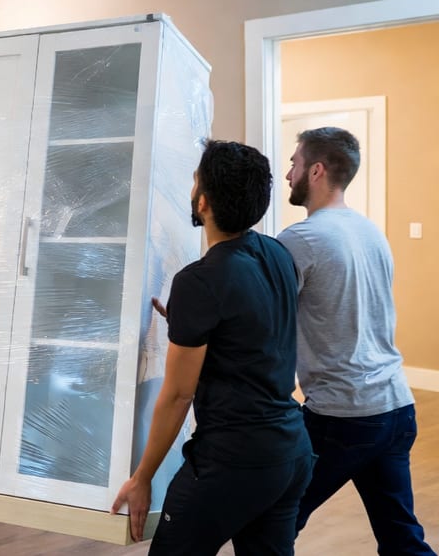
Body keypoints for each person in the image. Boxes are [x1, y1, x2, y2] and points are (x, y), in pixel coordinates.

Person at [111, 140, 313, 555]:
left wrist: (143, 476)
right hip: (289, 453)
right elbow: (253, 325)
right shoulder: (276, 253)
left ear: (202, 202)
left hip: (233, 462)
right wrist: (185, 322)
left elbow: (178, 395)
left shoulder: (199, 280)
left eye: (194, 181)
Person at [277, 127, 435, 554]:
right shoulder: (370, 232)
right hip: (395, 407)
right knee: (401, 536)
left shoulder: (300, 240)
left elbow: (260, 316)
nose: (288, 172)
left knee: (273, 520)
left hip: (342, 416)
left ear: (316, 170)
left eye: (294, 163)